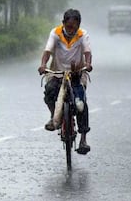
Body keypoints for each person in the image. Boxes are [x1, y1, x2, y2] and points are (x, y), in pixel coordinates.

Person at [38, 9, 92, 155]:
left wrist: (88, 64)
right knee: (49, 92)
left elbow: (87, 52)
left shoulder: (82, 35)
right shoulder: (55, 33)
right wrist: (43, 65)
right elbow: (47, 51)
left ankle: (83, 139)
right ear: (63, 23)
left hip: (76, 74)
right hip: (57, 73)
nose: (71, 30)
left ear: (78, 26)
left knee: (81, 104)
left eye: (74, 27)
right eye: (68, 27)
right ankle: (54, 118)